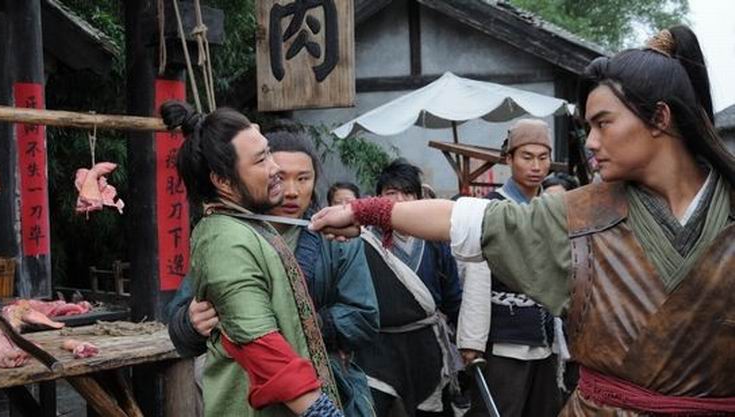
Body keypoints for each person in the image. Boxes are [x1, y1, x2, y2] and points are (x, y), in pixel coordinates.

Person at [310, 25, 735, 417]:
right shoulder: (579, 213)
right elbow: (462, 218)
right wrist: (364, 211)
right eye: (588, 127)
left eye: (604, 123)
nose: (591, 142)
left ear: (659, 118)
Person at [166, 129, 380, 417]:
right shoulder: (228, 238)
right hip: (243, 389)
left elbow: (364, 317)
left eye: (303, 178)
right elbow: (181, 316)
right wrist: (191, 322)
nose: (291, 191)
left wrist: (298, 323)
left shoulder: (337, 240)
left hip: (327, 382)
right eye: (280, 176)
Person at [457, 119, 562, 417]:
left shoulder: (551, 208)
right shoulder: (490, 208)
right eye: (527, 157)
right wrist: (472, 341)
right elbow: (477, 276)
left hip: (545, 337)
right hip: (504, 338)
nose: (536, 166)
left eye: (543, 158)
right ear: (509, 159)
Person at [355, 159, 462, 417]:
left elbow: (453, 296)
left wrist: (466, 341)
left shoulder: (435, 239)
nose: (400, 200)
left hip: (425, 344)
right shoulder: (364, 241)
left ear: (418, 198)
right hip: (378, 346)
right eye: (391, 193)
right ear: (378, 198)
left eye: (408, 193)